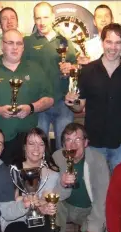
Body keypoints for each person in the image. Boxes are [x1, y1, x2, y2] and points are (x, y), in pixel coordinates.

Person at [0, 29, 54, 166]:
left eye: (19, 43)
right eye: (10, 43)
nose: (15, 47)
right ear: (2, 45)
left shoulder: (35, 69)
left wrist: (31, 108)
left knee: (27, 182)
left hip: (28, 142)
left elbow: (49, 99)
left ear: (23, 47)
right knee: (0, 182)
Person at [65, 23, 121, 172]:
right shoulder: (87, 71)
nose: (113, 47)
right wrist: (71, 103)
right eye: (109, 42)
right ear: (102, 42)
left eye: (118, 43)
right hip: (93, 143)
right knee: (96, 190)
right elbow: (79, 106)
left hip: (120, 144)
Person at [52, 123, 110, 232]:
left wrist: (93, 230)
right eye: (68, 140)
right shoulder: (57, 157)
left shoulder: (98, 161)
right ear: (63, 144)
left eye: (77, 139)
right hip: (66, 206)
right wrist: (62, 183)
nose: (73, 144)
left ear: (86, 142)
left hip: (88, 209)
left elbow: (102, 199)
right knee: (54, 204)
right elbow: (52, 193)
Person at [1, 127, 60, 232]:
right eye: (31, 143)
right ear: (24, 147)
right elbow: (11, 203)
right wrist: (32, 202)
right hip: (14, 218)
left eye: (41, 144)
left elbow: (46, 199)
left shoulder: (52, 174)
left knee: (41, 221)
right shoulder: (12, 170)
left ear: (45, 148)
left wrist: (42, 206)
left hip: (38, 218)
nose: (36, 148)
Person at [23, 1, 77, 150]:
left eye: (45, 17)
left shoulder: (64, 41)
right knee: (37, 149)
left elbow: (76, 67)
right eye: (38, 18)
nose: (41, 22)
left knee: (66, 149)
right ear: (34, 19)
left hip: (62, 104)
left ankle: (65, 174)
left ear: (53, 17)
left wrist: (71, 68)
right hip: (39, 104)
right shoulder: (27, 42)